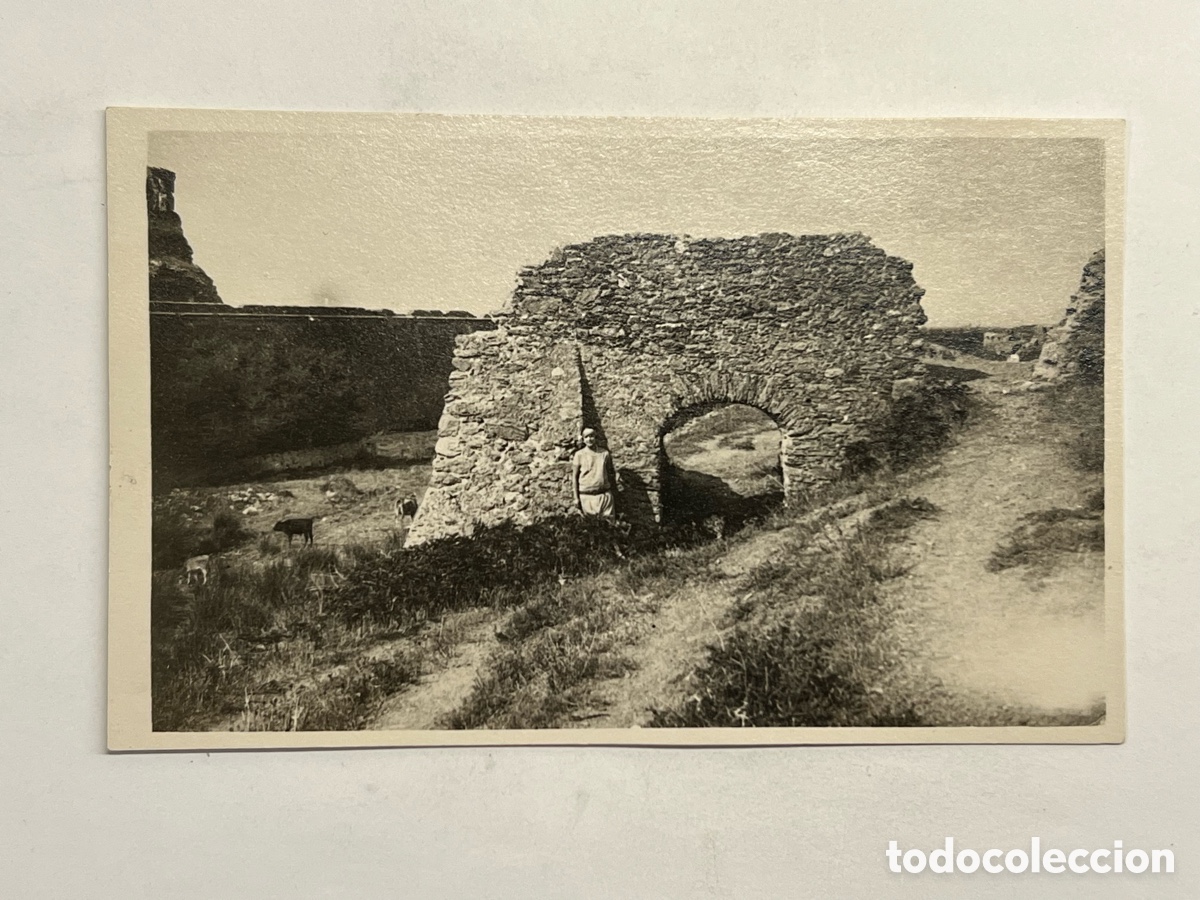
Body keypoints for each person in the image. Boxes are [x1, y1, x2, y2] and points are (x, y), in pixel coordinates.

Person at [572, 427, 619, 517]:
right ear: (583, 439)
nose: (589, 439)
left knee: (608, 523)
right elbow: (574, 477)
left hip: (604, 496)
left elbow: (610, 473)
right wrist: (576, 498)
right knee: (590, 524)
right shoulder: (579, 455)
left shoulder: (604, 454)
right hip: (586, 497)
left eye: (591, 436)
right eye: (586, 437)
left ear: (596, 437)